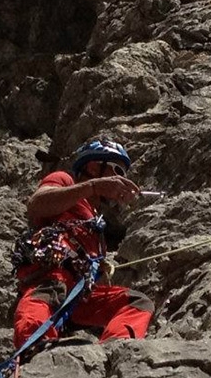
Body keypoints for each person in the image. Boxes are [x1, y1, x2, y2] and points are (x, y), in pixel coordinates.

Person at [11, 138, 154, 348]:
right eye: (117, 170)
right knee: (50, 290)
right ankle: (34, 345)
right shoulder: (65, 181)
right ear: (94, 166)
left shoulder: (97, 226)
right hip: (52, 272)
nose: (120, 179)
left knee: (138, 302)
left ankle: (118, 347)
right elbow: (37, 205)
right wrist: (93, 187)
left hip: (79, 292)